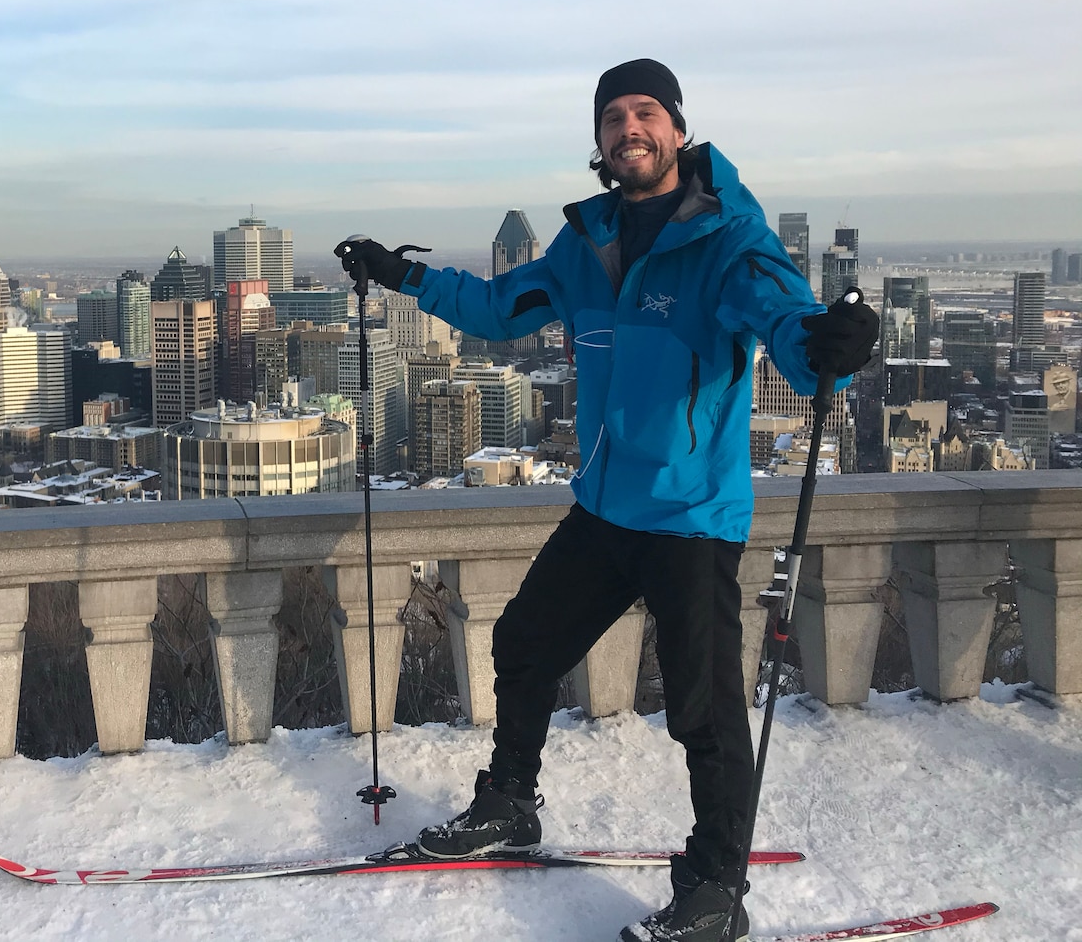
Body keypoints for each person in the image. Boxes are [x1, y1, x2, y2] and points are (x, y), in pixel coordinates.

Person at [336, 59, 878, 942]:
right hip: (605, 505)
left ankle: (715, 889)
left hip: (691, 515)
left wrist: (828, 339)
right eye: (614, 116)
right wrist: (403, 276)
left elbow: (788, 322)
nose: (631, 128)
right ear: (598, 138)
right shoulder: (584, 248)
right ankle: (509, 801)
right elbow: (499, 305)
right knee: (523, 641)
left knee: (702, 708)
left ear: (677, 128)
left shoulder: (729, 240)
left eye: (647, 112)